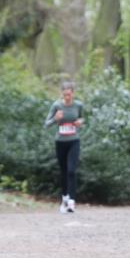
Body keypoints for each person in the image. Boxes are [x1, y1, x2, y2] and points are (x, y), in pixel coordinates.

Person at [44, 80, 85, 212]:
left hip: (74, 140)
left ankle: (72, 202)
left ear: (73, 93)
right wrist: (56, 119)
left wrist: (80, 122)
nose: (67, 97)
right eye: (65, 94)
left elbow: (83, 119)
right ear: (61, 94)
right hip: (60, 141)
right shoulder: (56, 105)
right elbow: (46, 124)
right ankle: (65, 199)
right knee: (64, 172)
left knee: (72, 171)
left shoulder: (78, 105)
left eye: (69, 94)